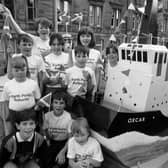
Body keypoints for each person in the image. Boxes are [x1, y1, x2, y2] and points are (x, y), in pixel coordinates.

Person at [2, 56, 41, 133]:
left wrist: (37, 108)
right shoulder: (7, 85)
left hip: (30, 114)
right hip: (14, 115)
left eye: (22, 70)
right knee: (15, 134)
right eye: (16, 70)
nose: (20, 72)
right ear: (12, 71)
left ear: (26, 69)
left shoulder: (33, 83)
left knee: (30, 133)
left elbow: (38, 99)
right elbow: (6, 101)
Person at [43, 91, 72, 168]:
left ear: (65, 105)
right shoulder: (46, 116)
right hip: (51, 142)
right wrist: (47, 138)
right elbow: (44, 134)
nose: (58, 106)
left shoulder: (68, 117)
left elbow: (70, 138)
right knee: (46, 162)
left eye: (61, 103)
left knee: (62, 162)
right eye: (56, 102)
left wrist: (63, 152)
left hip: (64, 144)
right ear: (52, 104)